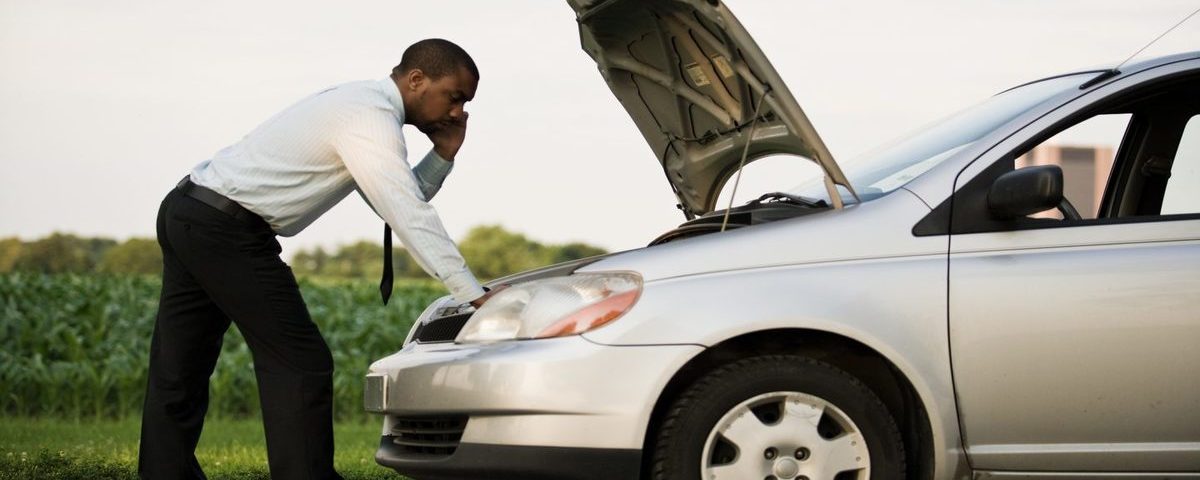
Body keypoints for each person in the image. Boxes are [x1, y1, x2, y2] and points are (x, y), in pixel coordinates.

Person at [138, 38, 499, 479]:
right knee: (300, 361)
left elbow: (396, 196)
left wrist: (443, 153)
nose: (459, 111)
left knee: (180, 364)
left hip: (190, 211)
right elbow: (407, 210)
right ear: (417, 80)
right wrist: (471, 293)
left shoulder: (363, 108)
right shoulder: (369, 119)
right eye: (455, 96)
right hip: (224, 228)